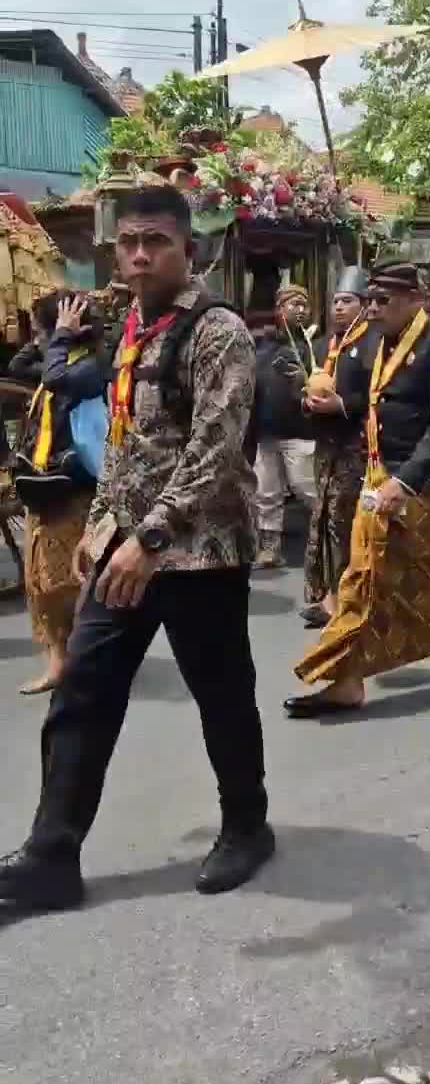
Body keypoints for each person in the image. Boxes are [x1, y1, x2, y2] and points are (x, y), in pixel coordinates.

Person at [0, 184, 272, 914]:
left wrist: (151, 536)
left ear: (189, 248)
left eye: (156, 241)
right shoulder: (131, 327)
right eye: (129, 243)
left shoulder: (219, 332)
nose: (141, 255)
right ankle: (52, 855)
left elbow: (215, 453)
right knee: (81, 694)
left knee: (222, 697)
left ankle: (247, 824)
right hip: (125, 550)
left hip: (200, 552)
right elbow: (126, 443)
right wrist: (102, 526)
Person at [284, 258, 430, 717]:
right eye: (370, 299)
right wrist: (326, 402)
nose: (372, 308)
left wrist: (406, 480)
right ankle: (347, 681)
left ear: (415, 301)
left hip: (429, 480)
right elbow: (361, 403)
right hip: (378, 475)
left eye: (383, 300)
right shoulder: (374, 341)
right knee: (360, 575)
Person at [10, 293, 106, 696]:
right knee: (39, 584)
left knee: (74, 580)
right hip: (42, 487)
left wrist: (62, 334)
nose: (39, 336)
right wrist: (48, 340)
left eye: (41, 327)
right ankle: (58, 662)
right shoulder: (57, 359)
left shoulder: (93, 366)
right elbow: (18, 366)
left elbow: (54, 380)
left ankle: (91, 661)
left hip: (75, 491)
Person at [302, 267, 377, 628]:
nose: (339, 307)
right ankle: (328, 593)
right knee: (323, 516)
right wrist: (306, 401)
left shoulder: (371, 345)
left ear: (364, 305)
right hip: (325, 445)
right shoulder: (323, 345)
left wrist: (342, 405)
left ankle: (348, 596)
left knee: (344, 519)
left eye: (346, 301)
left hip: (356, 446)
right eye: (335, 301)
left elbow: (377, 395)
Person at [254, 285, 316, 568]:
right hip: (266, 431)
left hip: (299, 430)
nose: (300, 310)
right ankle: (270, 547)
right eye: (294, 304)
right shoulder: (263, 345)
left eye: (304, 305)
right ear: (280, 309)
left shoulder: (314, 346)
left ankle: (327, 538)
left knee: (306, 487)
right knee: (267, 491)